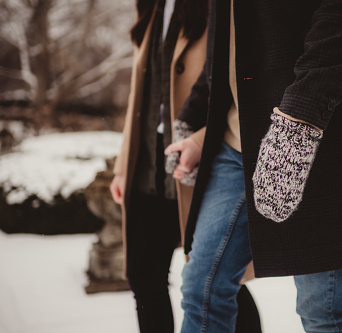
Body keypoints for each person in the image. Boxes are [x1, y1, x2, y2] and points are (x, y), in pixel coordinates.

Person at [165, 0, 342, 332]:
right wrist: (196, 127)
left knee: (322, 309)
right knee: (202, 290)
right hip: (233, 148)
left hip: (313, 146)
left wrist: (298, 127)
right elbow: (226, 45)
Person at [109, 0, 261, 332]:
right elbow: (141, 94)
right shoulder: (151, 8)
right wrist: (123, 166)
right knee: (144, 277)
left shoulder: (218, 7)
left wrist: (204, 139)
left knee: (216, 282)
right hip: (148, 167)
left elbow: (240, 83)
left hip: (205, 164)